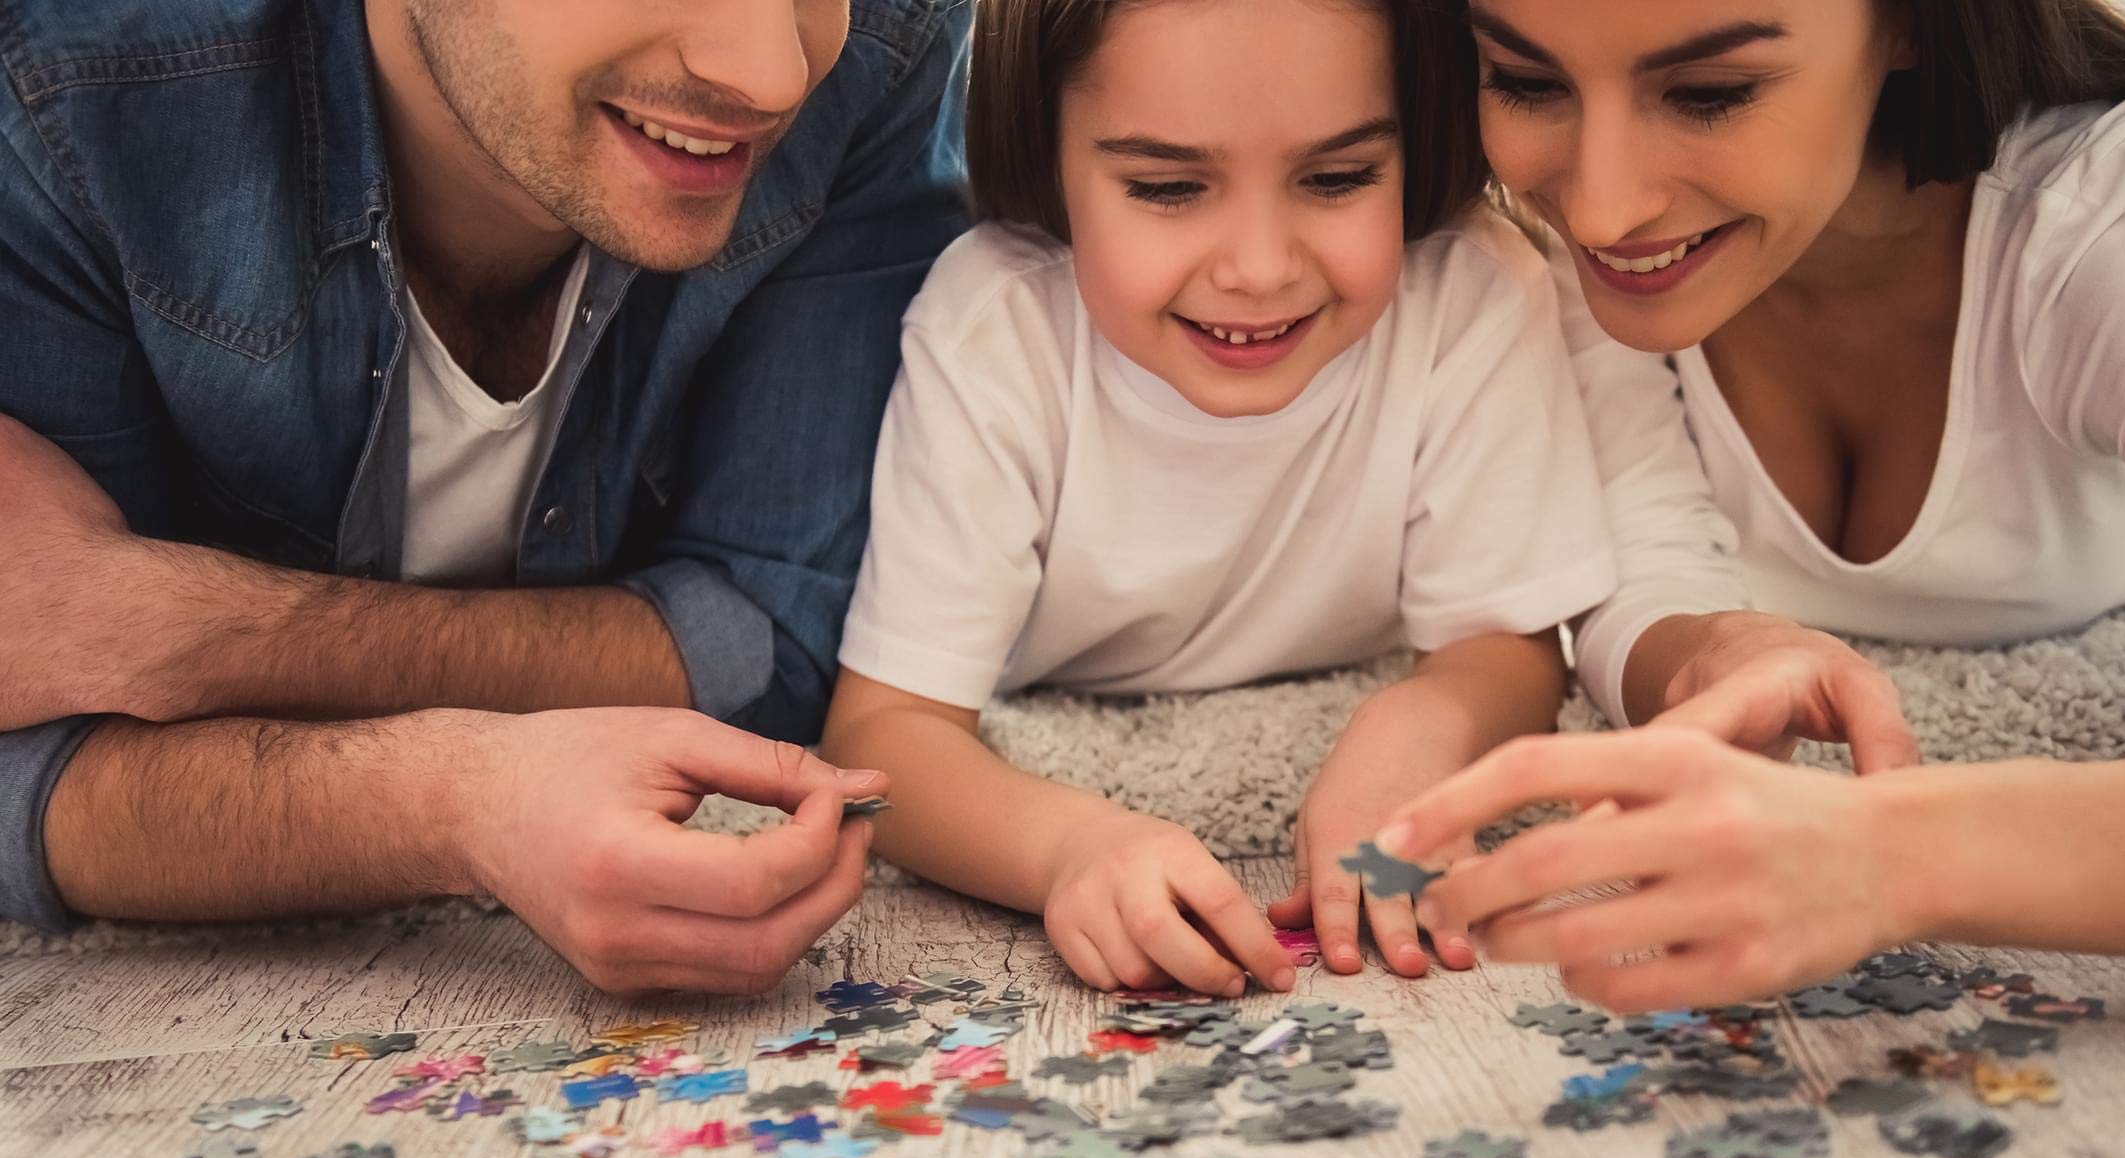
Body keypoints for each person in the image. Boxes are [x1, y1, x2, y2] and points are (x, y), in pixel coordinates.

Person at [0, 0, 971, 994]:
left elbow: (777, 632)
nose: (771, 75)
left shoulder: (883, 45)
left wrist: (201, 632)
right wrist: (458, 802)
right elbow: (24, 751)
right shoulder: (62, 84)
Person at [1380, 0, 2125, 1009]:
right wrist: (1707, 646)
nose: (1600, 209)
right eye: (1525, 81)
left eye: (1710, 93)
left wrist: (1898, 854)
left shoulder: (2118, 218)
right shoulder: (1552, 253)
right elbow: (1633, 569)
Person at [819, 0, 1626, 997]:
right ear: (1047, 151)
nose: (1258, 268)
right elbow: (884, 733)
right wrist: (1069, 846)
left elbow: (1502, 647)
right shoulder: (994, 330)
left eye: (1336, 179)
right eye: (1165, 187)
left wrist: (1422, 726)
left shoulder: (1472, 294)